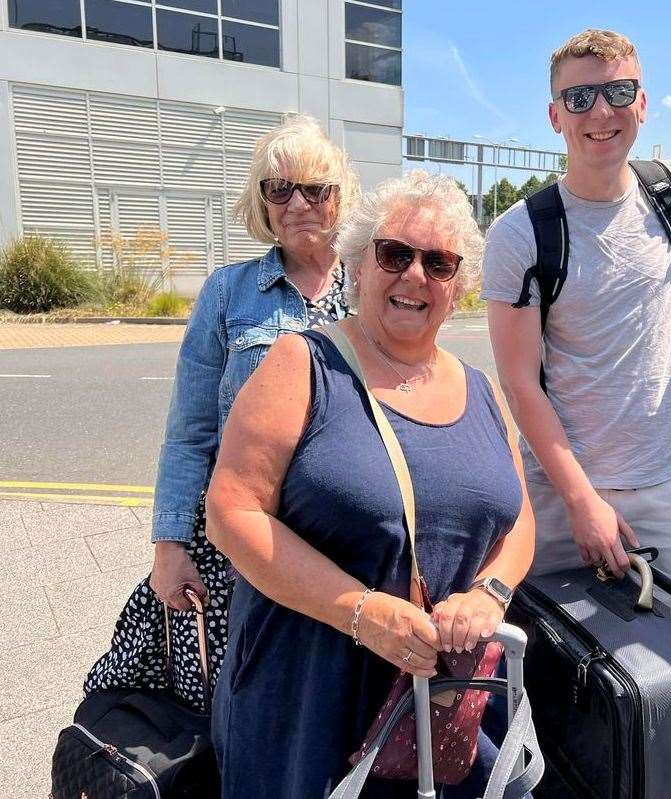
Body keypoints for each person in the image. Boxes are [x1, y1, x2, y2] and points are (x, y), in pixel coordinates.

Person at [205, 172, 536, 799]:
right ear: (358, 266)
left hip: (443, 704)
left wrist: (489, 594)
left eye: (438, 263)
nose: (415, 275)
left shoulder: (481, 389)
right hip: (311, 693)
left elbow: (518, 519)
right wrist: (359, 612)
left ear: (458, 286)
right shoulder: (302, 364)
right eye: (395, 254)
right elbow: (231, 509)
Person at [84, 115, 359, 709]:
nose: (297, 204)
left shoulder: (369, 289)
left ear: (340, 197)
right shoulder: (229, 293)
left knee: (331, 703)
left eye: (316, 188)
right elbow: (190, 432)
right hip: (240, 541)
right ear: (261, 200)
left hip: (343, 541)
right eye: (279, 188)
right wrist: (169, 545)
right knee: (236, 700)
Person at [481, 28, 671, 589]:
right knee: (559, 663)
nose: (600, 111)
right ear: (555, 115)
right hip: (561, 498)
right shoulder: (521, 234)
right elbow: (520, 385)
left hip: (667, 494)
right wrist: (581, 500)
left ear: (643, 104)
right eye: (579, 98)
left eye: (618, 92)